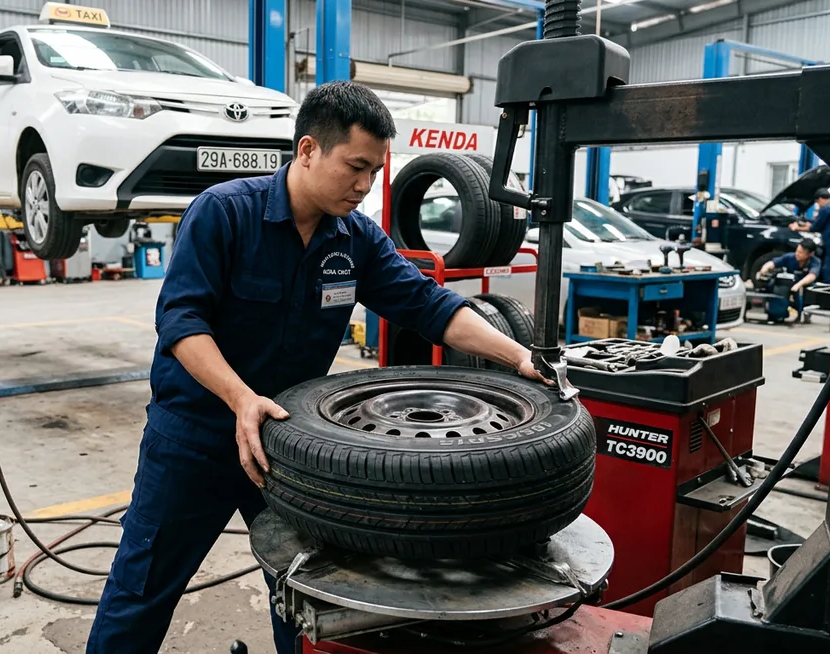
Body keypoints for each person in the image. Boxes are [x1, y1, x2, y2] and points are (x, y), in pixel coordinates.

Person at [84, 81, 550, 654]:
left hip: (290, 448)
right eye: (355, 167)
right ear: (308, 150)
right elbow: (181, 324)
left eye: (375, 171)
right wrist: (240, 399)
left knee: (307, 592)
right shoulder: (225, 214)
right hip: (195, 441)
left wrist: (519, 355)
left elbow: (429, 306)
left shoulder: (356, 239)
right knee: (143, 588)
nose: (365, 185)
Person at [790, 189, 830, 285]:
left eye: (817, 203)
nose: (818, 205)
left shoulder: (826, 208)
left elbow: (815, 227)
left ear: (820, 199)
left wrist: (797, 228)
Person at [758, 240, 821, 320]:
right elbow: (772, 263)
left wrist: (798, 285)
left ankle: (805, 312)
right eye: (797, 251)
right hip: (789, 284)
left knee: (811, 290)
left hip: (803, 285)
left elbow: (812, 275)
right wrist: (764, 270)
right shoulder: (789, 257)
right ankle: (777, 312)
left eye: (801, 252)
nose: (797, 254)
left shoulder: (815, 262)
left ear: (810, 254)